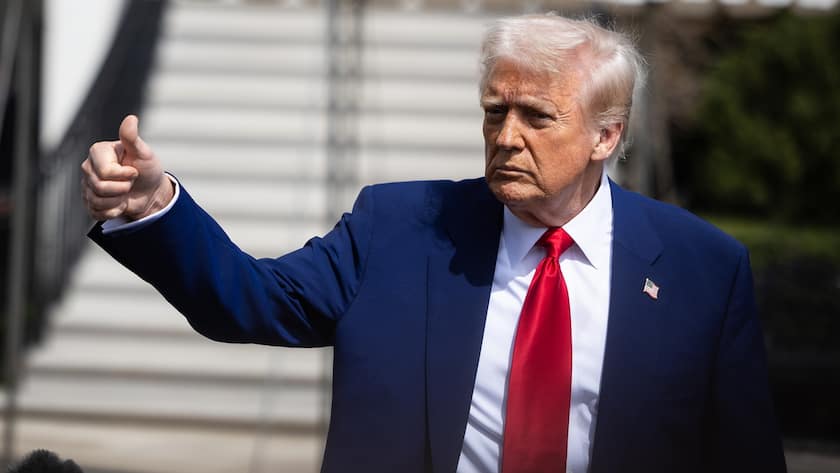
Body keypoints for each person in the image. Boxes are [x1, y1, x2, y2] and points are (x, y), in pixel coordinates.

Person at [81, 13, 786, 473]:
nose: (506, 136)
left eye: (537, 117)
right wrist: (154, 206)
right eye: (495, 111)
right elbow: (251, 300)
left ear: (607, 135)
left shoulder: (702, 269)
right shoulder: (400, 227)